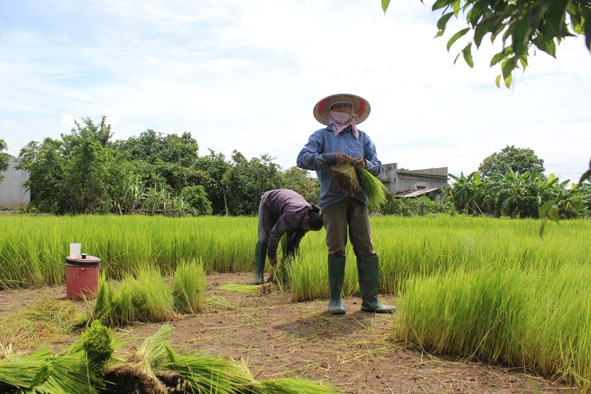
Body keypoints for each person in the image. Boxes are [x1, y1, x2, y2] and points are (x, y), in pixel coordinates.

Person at [296, 93, 395, 315]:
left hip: (359, 198)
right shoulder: (321, 136)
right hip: (333, 198)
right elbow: (302, 158)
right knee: (337, 247)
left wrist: (365, 164)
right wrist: (331, 157)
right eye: (338, 107)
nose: (342, 111)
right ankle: (335, 300)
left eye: (346, 107)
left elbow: (378, 166)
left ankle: (371, 301)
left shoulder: (363, 138)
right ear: (330, 113)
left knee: (366, 247)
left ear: (353, 113)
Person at [252, 189, 324, 285]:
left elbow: (296, 240)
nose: (307, 230)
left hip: (285, 205)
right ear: (307, 219)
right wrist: (272, 256)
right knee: (264, 238)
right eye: (308, 228)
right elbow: (275, 233)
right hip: (269, 203)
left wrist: (289, 255)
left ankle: (283, 275)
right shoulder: (292, 214)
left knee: (290, 247)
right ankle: (258, 275)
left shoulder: (306, 219)